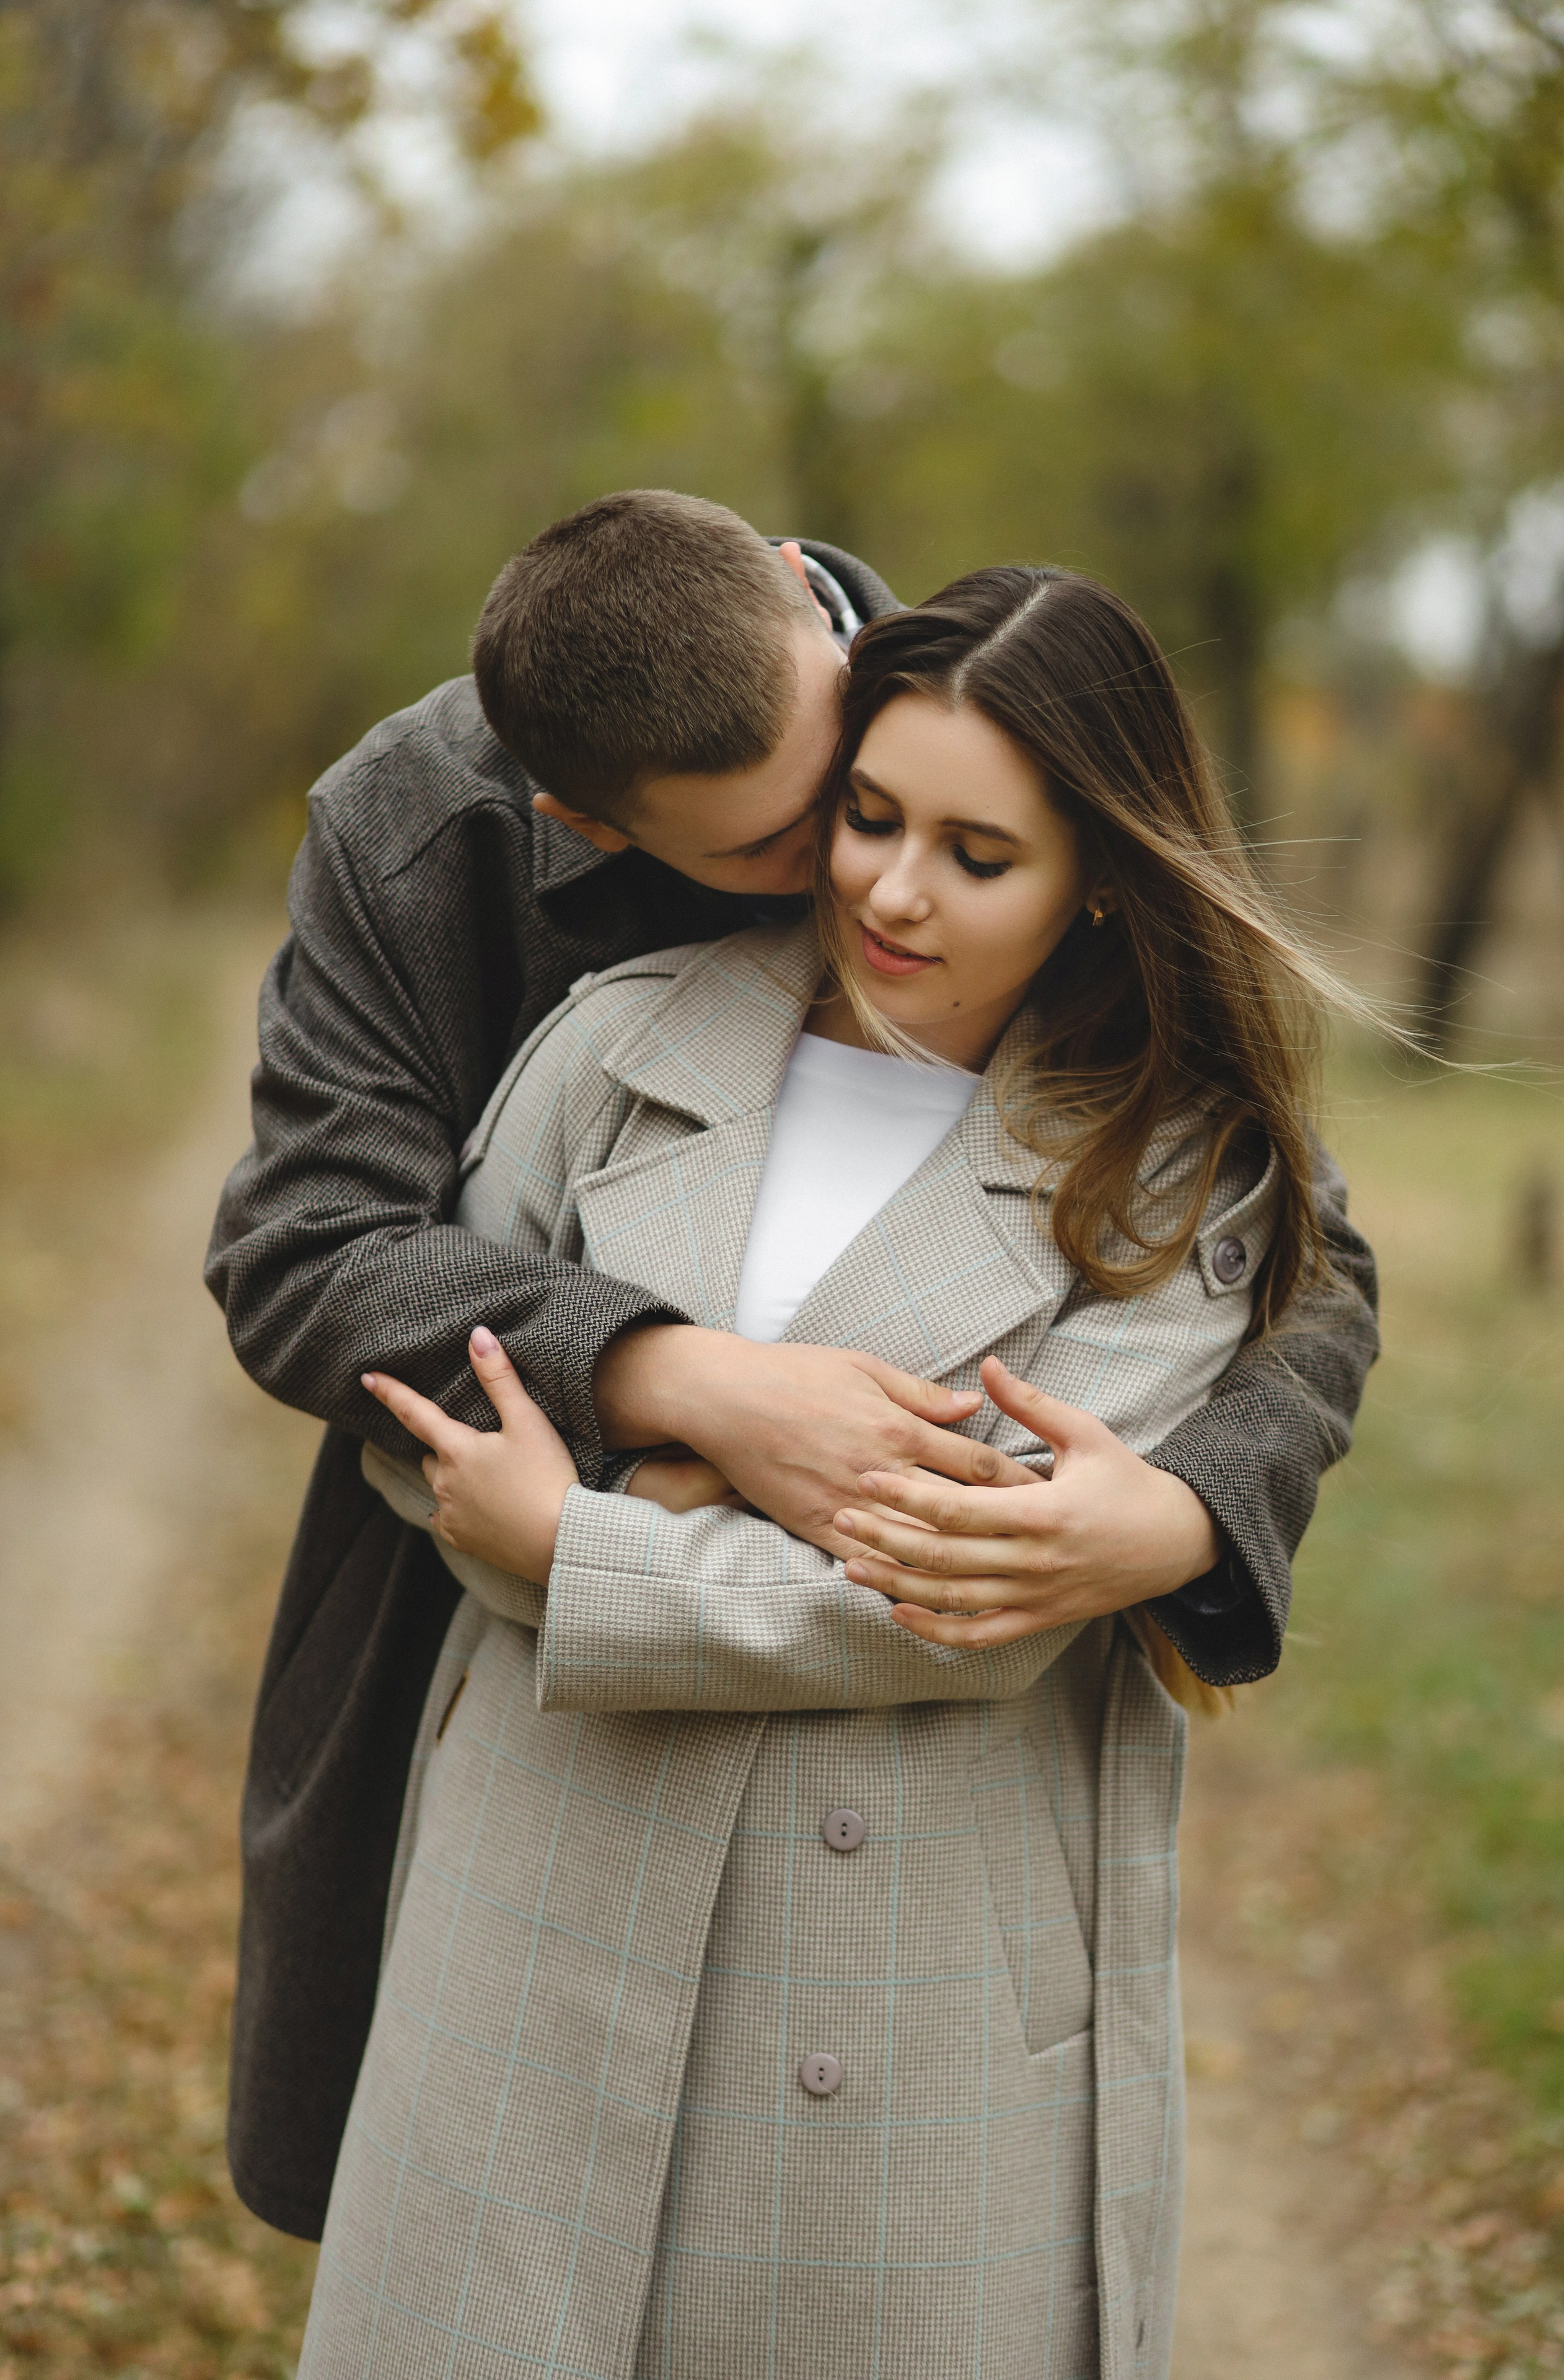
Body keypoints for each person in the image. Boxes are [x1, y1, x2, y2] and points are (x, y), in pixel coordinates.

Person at [204, 493, 1378, 2244]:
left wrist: (1189, 1516)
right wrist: (683, 1390)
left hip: (900, 1789)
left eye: (876, 797)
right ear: (588, 829)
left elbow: (1299, 1256)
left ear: (800, 599)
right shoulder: (427, 833)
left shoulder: (958, 697)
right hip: (497, 1612)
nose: (866, 874)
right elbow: (306, 1253)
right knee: (482, 2175)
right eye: (798, 838)